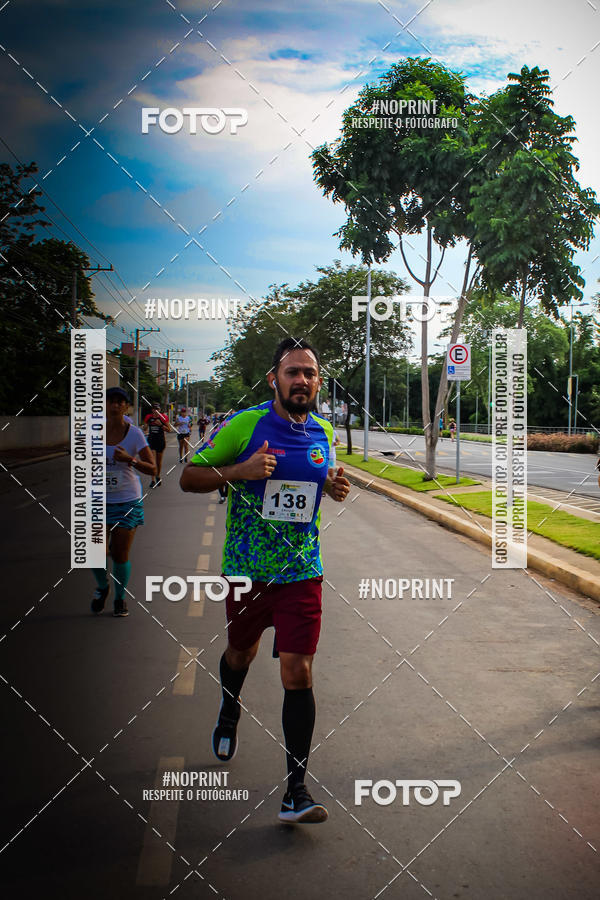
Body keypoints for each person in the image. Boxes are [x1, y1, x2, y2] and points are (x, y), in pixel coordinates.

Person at [180, 337, 350, 824]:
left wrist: (334, 488)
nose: (301, 380)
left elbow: (319, 486)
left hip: (302, 572)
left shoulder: (322, 430)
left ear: (318, 382)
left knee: (298, 672)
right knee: (241, 653)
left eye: (310, 373)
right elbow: (189, 477)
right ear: (274, 378)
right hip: (247, 572)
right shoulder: (248, 424)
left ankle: (295, 791)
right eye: (292, 372)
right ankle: (229, 708)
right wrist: (241, 470)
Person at [92, 387, 156, 617]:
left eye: (120, 402)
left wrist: (129, 459)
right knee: (94, 552)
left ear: (126, 407)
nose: (115, 405)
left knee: (119, 554)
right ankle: (102, 587)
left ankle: (120, 598)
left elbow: (152, 468)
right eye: (111, 401)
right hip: (97, 500)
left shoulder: (135, 434)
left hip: (126, 500)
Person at [143, 402, 172, 487]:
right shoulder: (148, 417)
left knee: (158, 462)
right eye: (154, 409)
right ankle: (152, 480)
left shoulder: (163, 417)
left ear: (160, 410)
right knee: (152, 460)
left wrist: (161, 425)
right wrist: (146, 425)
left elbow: (169, 430)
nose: (156, 411)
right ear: (152, 410)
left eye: (157, 409)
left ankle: (158, 476)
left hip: (160, 441)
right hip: (151, 440)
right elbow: (145, 428)